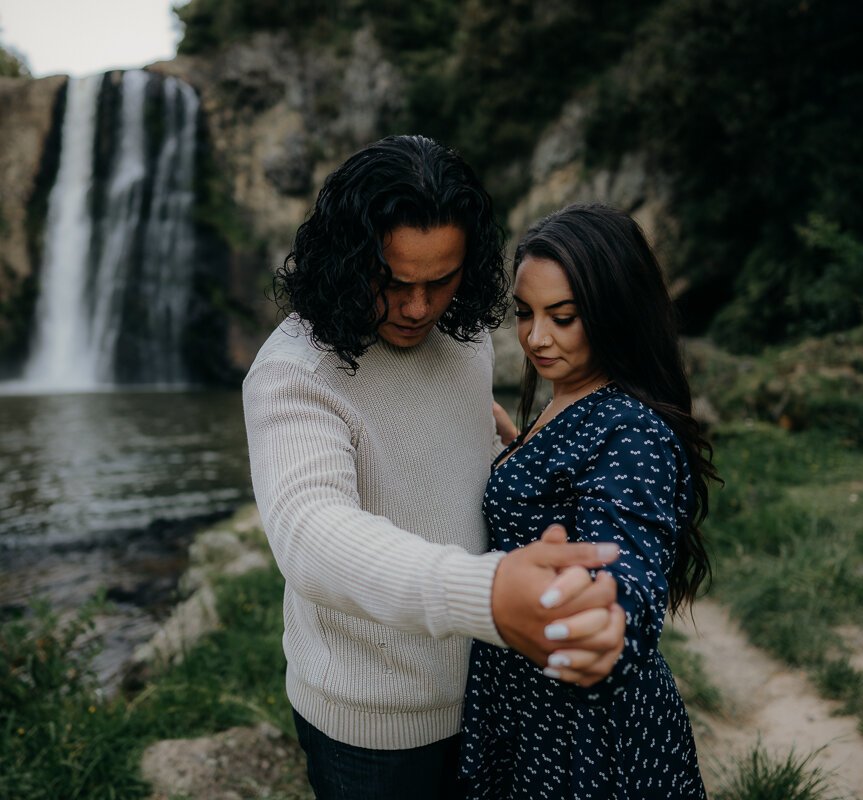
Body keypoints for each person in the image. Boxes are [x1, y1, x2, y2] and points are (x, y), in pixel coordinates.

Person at [242, 136, 628, 799]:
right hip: (369, 730)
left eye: (440, 281)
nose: (418, 308)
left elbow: (434, 446)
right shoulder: (293, 373)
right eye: (392, 283)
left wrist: (497, 443)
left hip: (489, 691)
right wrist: (486, 594)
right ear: (346, 259)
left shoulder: (464, 334)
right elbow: (311, 535)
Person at [460, 203, 718, 798]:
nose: (536, 337)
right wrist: (517, 450)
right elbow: (570, 488)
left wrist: (605, 621)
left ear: (614, 313)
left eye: (564, 316)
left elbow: (626, 560)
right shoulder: (566, 400)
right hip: (526, 706)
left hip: (582, 732)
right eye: (524, 313)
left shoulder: (632, 429)